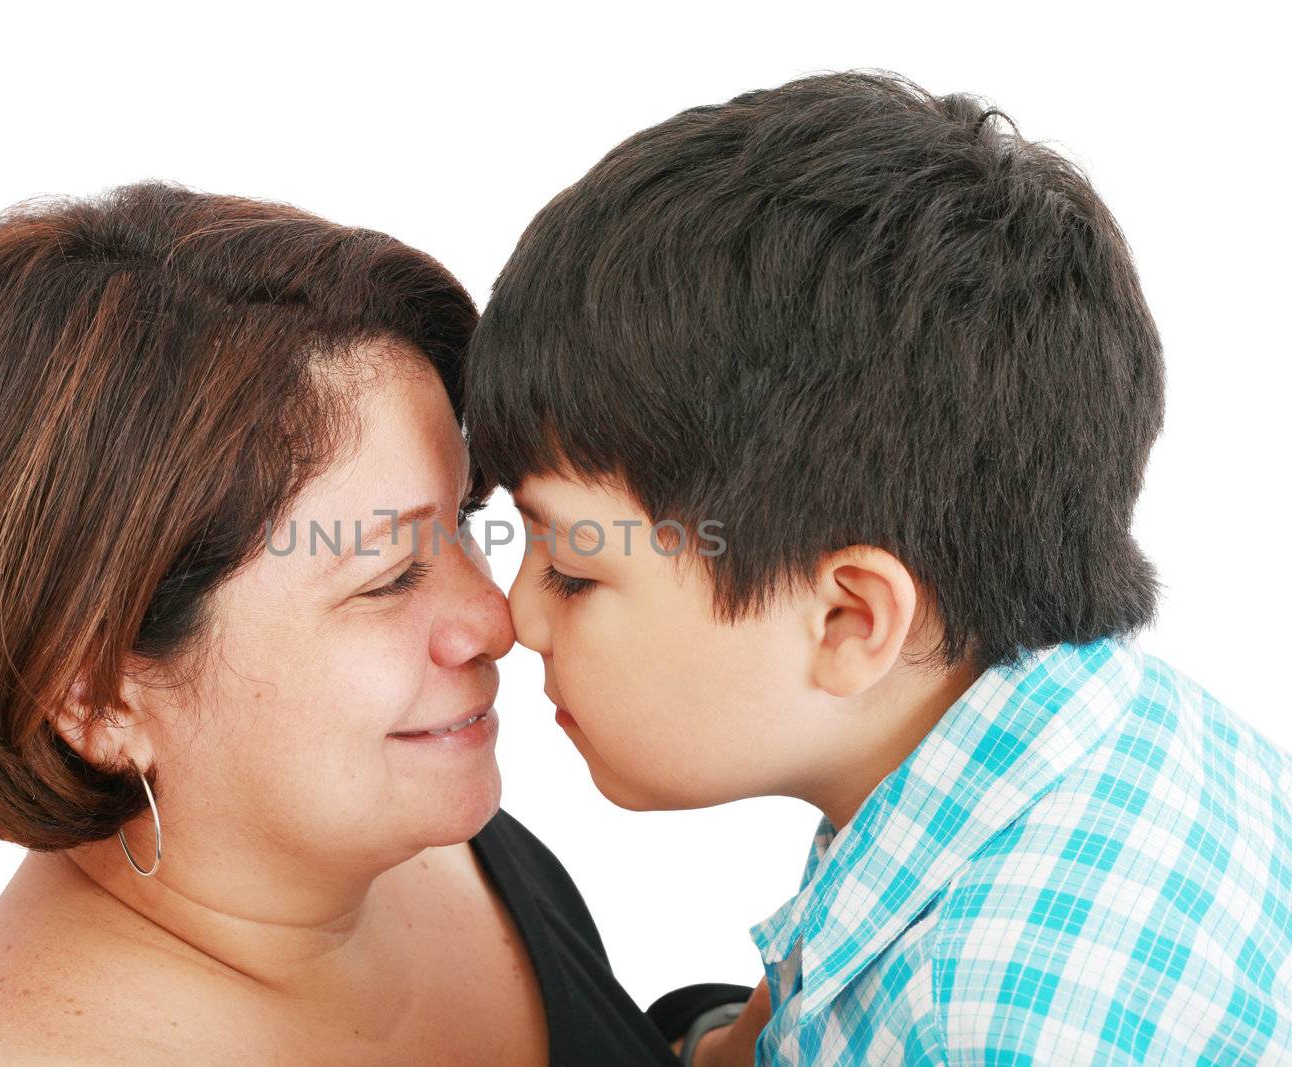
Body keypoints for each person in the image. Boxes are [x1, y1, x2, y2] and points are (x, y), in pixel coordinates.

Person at [0, 181, 739, 1065]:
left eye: (467, 522)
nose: (496, 617)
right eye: (391, 573)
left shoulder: (436, 845)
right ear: (95, 694)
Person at [461, 71, 1292, 1064]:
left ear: (851, 618)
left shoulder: (996, 1023)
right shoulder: (1098, 727)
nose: (514, 616)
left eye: (574, 570)